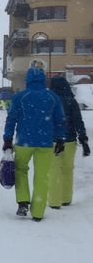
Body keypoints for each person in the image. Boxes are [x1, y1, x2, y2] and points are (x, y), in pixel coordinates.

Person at [3, 67, 66, 222]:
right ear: (44, 80)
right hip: (45, 143)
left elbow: (11, 119)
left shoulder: (20, 97)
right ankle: (38, 212)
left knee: (20, 170)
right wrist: (60, 139)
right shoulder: (52, 97)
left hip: (24, 141)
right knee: (42, 177)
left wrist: (7, 139)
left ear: (27, 80)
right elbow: (60, 120)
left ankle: (23, 202)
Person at [48, 77, 90, 209]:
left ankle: (54, 201)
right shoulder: (72, 101)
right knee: (67, 169)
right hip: (70, 141)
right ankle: (66, 198)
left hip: (53, 141)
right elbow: (78, 122)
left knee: (54, 170)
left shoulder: (50, 101)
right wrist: (83, 139)